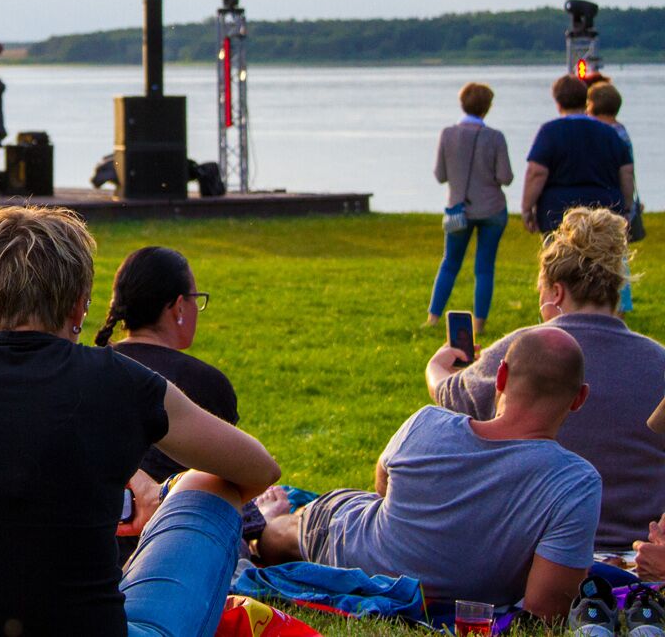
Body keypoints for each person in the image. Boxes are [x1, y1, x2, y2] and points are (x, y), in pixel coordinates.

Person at [0, 205, 279, 637]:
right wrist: (154, 494)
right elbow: (257, 468)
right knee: (208, 482)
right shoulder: (121, 382)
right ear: (80, 306)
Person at [261, 328, 599, 618]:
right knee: (316, 517)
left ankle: (265, 519)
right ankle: (270, 517)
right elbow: (545, 610)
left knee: (281, 532)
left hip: (355, 552)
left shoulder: (428, 422)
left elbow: (382, 487)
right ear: (579, 399)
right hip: (420, 577)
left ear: (501, 376)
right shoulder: (576, 484)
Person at [429, 206, 665, 552]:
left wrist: (436, 367)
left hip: (540, 552)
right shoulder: (658, 361)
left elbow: (450, 396)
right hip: (637, 554)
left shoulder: (525, 350)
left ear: (555, 292)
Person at [93, 245, 237, 482]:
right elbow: (234, 475)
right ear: (179, 306)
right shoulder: (203, 382)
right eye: (196, 299)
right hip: (177, 513)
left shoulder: (89, 368)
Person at [427, 82, 514, 333]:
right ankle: (479, 324)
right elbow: (505, 177)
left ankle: (433, 317)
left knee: (449, 263)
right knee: (484, 268)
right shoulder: (495, 137)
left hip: (457, 210)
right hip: (492, 209)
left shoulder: (447, 134)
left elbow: (440, 175)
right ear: (487, 108)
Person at [521, 74, 633, 234]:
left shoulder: (550, 132)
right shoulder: (609, 133)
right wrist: (627, 208)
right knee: (601, 256)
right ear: (586, 100)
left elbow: (536, 173)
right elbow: (626, 172)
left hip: (558, 211)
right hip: (604, 210)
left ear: (558, 103)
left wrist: (527, 207)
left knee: (560, 256)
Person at [588, 81, 638, 312]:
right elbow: (629, 171)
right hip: (616, 200)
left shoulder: (598, 133)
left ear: (592, 105)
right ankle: (620, 304)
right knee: (617, 257)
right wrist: (630, 204)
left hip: (600, 200)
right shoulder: (623, 131)